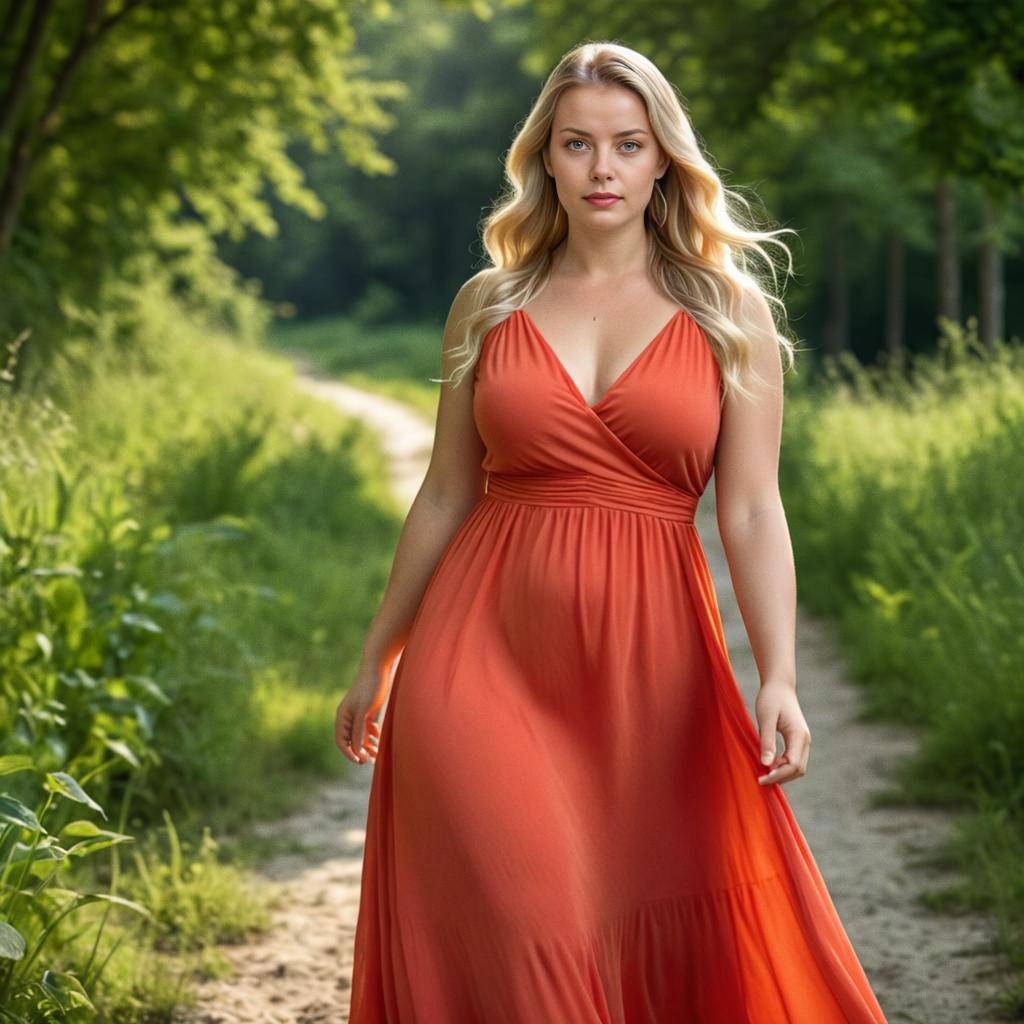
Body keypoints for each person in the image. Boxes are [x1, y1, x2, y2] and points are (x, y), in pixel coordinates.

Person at [338, 39, 889, 1024]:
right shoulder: (487, 303)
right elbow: (443, 496)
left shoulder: (728, 313)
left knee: (626, 914)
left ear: (663, 159)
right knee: (523, 924)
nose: (602, 168)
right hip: (480, 653)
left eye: (627, 145)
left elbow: (753, 508)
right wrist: (379, 655)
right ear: (542, 157)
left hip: (651, 671)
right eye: (578, 144)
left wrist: (780, 676)